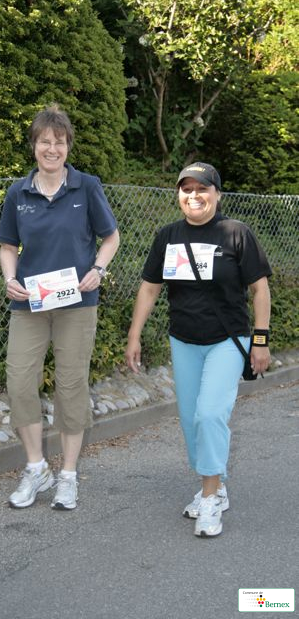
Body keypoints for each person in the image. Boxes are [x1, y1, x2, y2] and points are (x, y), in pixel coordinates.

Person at [125, 162, 271, 537]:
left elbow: (260, 289)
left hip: (227, 340)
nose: (194, 196)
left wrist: (260, 340)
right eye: (186, 189)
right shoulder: (168, 236)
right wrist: (134, 335)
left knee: (209, 415)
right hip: (183, 340)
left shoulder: (236, 233)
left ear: (217, 194)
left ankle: (209, 499)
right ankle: (216, 485)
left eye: (202, 188)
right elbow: (149, 288)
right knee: (191, 420)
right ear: (178, 195)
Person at [0, 104, 120, 510]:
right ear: (33, 145)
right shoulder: (18, 192)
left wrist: (98, 270)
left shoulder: (86, 187)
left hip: (77, 303)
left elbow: (111, 237)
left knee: (71, 386)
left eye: (60, 142)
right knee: (19, 383)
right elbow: (8, 245)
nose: (52, 148)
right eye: (45, 141)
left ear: (68, 146)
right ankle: (36, 468)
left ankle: (67, 475)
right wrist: (10, 279)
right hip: (30, 303)